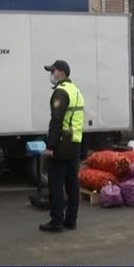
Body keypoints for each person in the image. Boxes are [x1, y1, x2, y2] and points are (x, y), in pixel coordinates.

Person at [40, 60, 85, 233]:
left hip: (61, 143)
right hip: (75, 142)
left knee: (56, 183)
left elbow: (56, 121)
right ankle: (71, 220)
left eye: (54, 71)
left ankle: (56, 220)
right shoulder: (76, 91)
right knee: (72, 183)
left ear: (62, 73)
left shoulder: (61, 92)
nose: (52, 74)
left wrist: (50, 146)